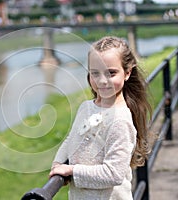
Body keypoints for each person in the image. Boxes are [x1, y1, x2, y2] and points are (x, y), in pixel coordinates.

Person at [49, 36, 152, 199]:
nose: (102, 81)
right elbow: (71, 139)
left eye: (111, 73)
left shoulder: (120, 120)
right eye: (95, 73)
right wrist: (58, 164)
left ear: (127, 73)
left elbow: (114, 174)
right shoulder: (86, 107)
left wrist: (71, 171)